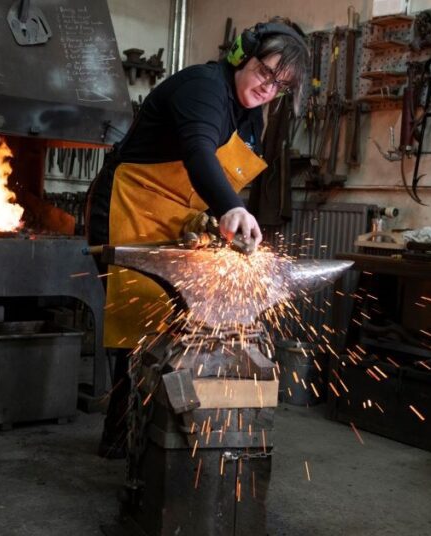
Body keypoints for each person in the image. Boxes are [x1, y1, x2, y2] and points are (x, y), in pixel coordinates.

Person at [86, 18, 310, 458]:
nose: (268, 88)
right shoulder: (204, 89)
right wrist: (232, 207)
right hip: (129, 208)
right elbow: (198, 153)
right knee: (139, 326)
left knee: (177, 326)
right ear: (242, 56)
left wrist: (211, 219)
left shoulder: (250, 118)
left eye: (280, 85)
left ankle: (162, 435)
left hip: (177, 220)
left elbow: (217, 179)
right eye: (266, 72)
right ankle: (125, 438)